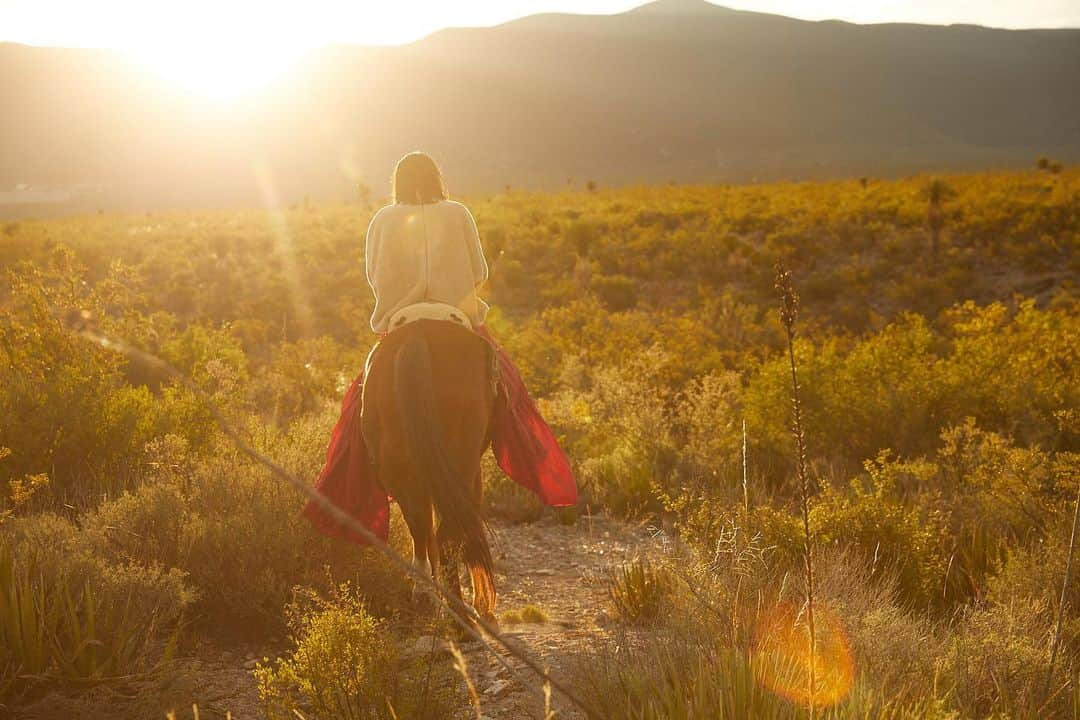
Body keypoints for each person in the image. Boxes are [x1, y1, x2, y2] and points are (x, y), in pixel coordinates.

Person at [303, 152, 577, 544]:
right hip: (456, 320)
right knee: (511, 396)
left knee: (357, 421)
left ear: (398, 181)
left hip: (400, 324)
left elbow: (374, 277)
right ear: (437, 179)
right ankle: (532, 463)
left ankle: (379, 524)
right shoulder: (459, 213)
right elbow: (479, 272)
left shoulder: (382, 219)